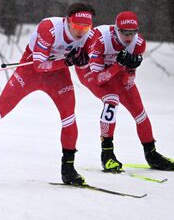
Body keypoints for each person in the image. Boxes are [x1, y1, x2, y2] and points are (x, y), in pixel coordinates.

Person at [0, 3, 95, 185]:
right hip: (30, 71)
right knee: (0, 110)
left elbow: (85, 64)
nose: (81, 32)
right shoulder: (50, 28)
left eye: (85, 28)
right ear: (68, 21)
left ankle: (68, 170)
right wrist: (68, 61)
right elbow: (40, 66)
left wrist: (84, 61)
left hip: (58, 76)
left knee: (69, 117)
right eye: (77, 27)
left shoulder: (89, 36)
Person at [75, 11, 174, 172]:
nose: (129, 37)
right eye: (125, 33)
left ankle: (151, 153)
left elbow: (128, 81)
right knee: (111, 100)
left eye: (133, 33)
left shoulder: (139, 43)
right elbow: (99, 79)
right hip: (90, 71)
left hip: (115, 71)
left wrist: (131, 69)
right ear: (116, 29)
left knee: (139, 111)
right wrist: (119, 66)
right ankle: (107, 154)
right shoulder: (100, 39)